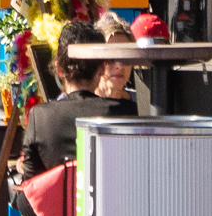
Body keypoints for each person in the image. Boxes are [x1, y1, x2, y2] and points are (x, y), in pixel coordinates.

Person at [17, 45, 137, 183]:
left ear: (59, 69)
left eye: (124, 58)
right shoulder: (132, 112)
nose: (119, 65)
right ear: (101, 69)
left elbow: (30, 186)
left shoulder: (41, 116)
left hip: (60, 201)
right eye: (112, 59)